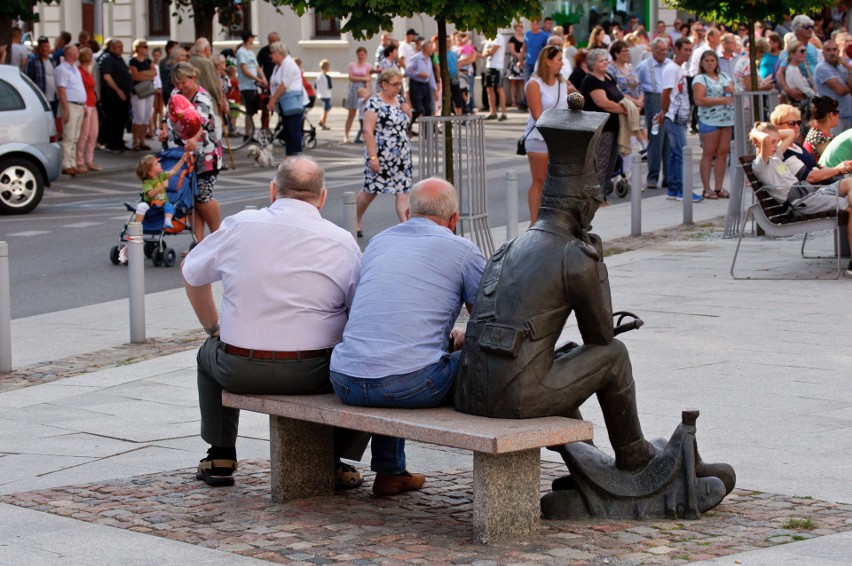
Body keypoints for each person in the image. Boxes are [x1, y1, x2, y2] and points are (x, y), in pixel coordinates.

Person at [183, 155, 367, 488]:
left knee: (206, 355)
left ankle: (220, 453)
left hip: (239, 367)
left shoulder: (240, 225)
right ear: (322, 197)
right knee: (364, 366)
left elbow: (192, 274)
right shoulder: (341, 241)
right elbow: (360, 310)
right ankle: (335, 459)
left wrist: (214, 328)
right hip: (315, 372)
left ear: (273, 190)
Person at [330, 177, 486, 497]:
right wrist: (461, 338)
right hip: (408, 385)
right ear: (454, 220)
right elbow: (487, 323)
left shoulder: (377, 242)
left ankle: (391, 473)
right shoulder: (463, 250)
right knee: (471, 360)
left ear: (408, 213)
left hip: (345, 378)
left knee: (400, 356)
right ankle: (515, 446)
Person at [749, 121, 852, 275]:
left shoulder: (775, 157)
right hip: (801, 202)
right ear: (759, 142)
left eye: (777, 141)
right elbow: (763, 140)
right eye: (772, 142)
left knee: (849, 182)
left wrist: (772, 134)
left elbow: (790, 134)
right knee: (849, 208)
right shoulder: (761, 165)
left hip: (811, 194)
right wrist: (754, 131)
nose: (775, 144)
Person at [160, 62, 222, 244]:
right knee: (190, 201)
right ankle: (199, 244)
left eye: (183, 82)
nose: (180, 86)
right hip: (182, 154)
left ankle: (219, 238)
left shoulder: (202, 98)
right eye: (176, 83)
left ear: (192, 77)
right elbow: (167, 116)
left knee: (203, 197)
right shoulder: (176, 93)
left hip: (206, 155)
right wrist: (164, 130)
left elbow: (200, 123)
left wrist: (194, 139)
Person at [356, 69, 412, 236]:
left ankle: (408, 228)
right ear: (384, 85)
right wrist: (373, 157)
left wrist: (407, 110)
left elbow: (405, 122)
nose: (399, 88)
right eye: (395, 84)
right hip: (380, 155)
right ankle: (355, 219)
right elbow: (367, 131)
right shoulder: (374, 103)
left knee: (403, 193)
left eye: (400, 84)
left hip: (401, 156)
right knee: (371, 191)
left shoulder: (399, 100)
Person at [658, 37, 703, 202]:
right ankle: (681, 190)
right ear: (676, 50)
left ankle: (673, 189)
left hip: (679, 117)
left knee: (675, 155)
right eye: (685, 50)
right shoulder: (672, 69)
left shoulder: (678, 68)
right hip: (674, 117)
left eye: (690, 50)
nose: (688, 53)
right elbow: (665, 93)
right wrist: (665, 112)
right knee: (681, 154)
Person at [581, 48, 626, 205]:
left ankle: (604, 193)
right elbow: (603, 103)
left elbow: (619, 95)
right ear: (593, 65)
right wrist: (625, 110)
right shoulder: (591, 80)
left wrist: (633, 103)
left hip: (614, 127)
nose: (606, 62)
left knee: (611, 162)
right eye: (602, 60)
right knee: (600, 163)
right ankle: (597, 199)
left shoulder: (608, 76)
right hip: (600, 128)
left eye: (606, 59)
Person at [770, 103, 848, 185]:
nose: (797, 126)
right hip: (814, 192)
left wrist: (841, 168)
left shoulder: (796, 145)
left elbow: (817, 168)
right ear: (778, 127)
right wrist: (838, 169)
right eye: (791, 123)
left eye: (799, 122)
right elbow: (811, 177)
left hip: (824, 186)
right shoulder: (783, 152)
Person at [692, 50, 734, 199]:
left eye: (712, 60)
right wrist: (721, 100)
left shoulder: (724, 77)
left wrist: (731, 91)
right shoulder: (700, 79)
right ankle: (706, 188)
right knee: (709, 153)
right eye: (707, 61)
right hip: (709, 119)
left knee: (723, 154)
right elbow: (699, 100)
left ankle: (718, 186)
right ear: (702, 63)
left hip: (726, 119)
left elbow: (733, 93)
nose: (710, 63)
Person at [637, 38, 670, 190]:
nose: (664, 53)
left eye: (665, 50)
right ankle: (653, 177)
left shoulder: (670, 64)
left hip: (668, 98)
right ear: (653, 50)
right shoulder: (644, 66)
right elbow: (638, 85)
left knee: (669, 139)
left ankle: (668, 177)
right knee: (656, 138)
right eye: (660, 50)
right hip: (654, 99)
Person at [609, 40, 644, 178]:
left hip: (635, 108)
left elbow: (639, 86)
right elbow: (614, 90)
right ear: (616, 53)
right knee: (622, 141)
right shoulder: (611, 69)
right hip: (623, 107)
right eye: (624, 51)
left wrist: (640, 101)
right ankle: (619, 173)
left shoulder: (631, 68)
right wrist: (634, 102)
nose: (627, 54)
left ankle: (628, 173)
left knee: (633, 141)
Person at [54, 44, 86, 176]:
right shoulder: (62, 69)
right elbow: (61, 90)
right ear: (70, 54)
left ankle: (72, 163)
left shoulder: (75, 69)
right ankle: (66, 164)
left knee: (75, 136)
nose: (78, 54)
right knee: (68, 136)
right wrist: (65, 109)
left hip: (79, 105)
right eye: (76, 52)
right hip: (70, 105)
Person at [266, 42, 303, 157]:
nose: (270, 56)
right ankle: (289, 155)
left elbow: (284, 84)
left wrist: (273, 99)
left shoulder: (289, 64)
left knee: (293, 130)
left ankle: (296, 157)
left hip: (292, 101)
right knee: (287, 130)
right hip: (283, 102)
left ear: (278, 53)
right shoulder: (278, 66)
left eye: (272, 53)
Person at [134, 152, 189, 227]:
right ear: (151, 173)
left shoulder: (161, 176)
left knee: (169, 206)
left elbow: (174, 171)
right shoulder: (147, 182)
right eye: (156, 164)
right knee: (141, 206)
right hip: (150, 205)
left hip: (162, 204)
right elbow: (150, 194)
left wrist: (182, 160)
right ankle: (137, 225)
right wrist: (162, 186)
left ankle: (167, 221)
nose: (159, 164)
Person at [99, 39, 133, 153]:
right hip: (113, 95)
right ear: (112, 48)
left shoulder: (119, 59)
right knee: (113, 120)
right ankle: (112, 144)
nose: (121, 48)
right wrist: (118, 90)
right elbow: (107, 77)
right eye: (118, 46)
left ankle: (119, 142)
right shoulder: (108, 59)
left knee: (122, 119)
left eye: (122, 46)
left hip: (124, 94)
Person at [777, 15, 820, 104]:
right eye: (806, 27)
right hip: (802, 95)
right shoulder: (793, 49)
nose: (810, 30)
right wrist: (787, 90)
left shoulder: (813, 48)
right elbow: (780, 73)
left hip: (816, 90)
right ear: (797, 29)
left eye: (811, 27)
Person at [814, 39, 852, 135]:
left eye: (834, 49)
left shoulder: (842, 66)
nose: (832, 53)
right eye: (828, 50)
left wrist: (848, 68)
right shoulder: (822, 68)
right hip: (831, 115)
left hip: (847, 112)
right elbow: (841, 90)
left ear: (838, 51)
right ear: (823, 53)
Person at [236, 32, 267, 142]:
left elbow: (257, 67)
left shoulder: (251, 52)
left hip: (253, 85)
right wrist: (258, 79)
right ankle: (248, 134)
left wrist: (263, 77)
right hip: (245, 85)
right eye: (252, 37)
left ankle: (249, 133)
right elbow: (244, 70)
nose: (254, 39)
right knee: (249, 109)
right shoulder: (241, 52)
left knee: (253, 109)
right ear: (249, 39)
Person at [76, 47, 101, 172]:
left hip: (92, 103)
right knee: (84, 134)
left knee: (93, 134)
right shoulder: (79, 71)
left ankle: (89, 160)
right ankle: (79, 160)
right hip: (86, 104)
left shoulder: (87, 71)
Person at [128, 39, 156, 151]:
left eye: (146, 46)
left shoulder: (148, 61)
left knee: (146, 115)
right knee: (138, 115)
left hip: (148, 90)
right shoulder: (132, 61)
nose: (146, 48)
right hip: (138, 91)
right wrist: (147, 75)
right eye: (144, 46)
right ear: (137, 48)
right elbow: (135, 76)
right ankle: (135, 140)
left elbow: (154, 73)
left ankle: (142, 140)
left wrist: (142, 74)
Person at [405, 40, 436, 133]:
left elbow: (430, 75)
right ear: (425, 48)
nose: (432, 49)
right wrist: (419, 74)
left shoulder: (429, 59)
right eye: (430, 47)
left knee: (428, 109)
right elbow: (407, 71)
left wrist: (433, 87)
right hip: (416, 84)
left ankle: (426, 131)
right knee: (418, 109)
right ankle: (407, 126)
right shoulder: (416, 58)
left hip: (426, 85)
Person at [343, 47, 373, 143]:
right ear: (357, 55)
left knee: (365, 114)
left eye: (363, 54)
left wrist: (367, 93)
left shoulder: (368, 66)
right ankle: (346, 135)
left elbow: (368, 79)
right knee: (351, 114)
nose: (361, 56)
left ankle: (364, 135)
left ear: (365, 55)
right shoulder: (352, 65)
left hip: (363, 89)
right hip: (353, 90)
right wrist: (363, 78)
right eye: (359, 54)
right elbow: (351, 77)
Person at [26, 36, 57, 117]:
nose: (44, 49)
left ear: (49, 47)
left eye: (46, 46)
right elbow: (29, 79)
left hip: (54, 98)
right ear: (38, 48)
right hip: (41, 98)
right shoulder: (33, 61)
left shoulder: (52, 61)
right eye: (41, 47)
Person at [256, 32, 280, 130]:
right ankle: (264, 129)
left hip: (279, 84)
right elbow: (257, 66)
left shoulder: (282, 50)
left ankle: (281, 129)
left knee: (281, 108)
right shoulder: (263, 51)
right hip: (267, 84)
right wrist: (262, 80)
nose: (272, 43)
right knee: (265, 108)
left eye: (274, 41)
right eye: (270, 41)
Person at [483, 32, 507, 121]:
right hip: (489, 66)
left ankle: (503, 112)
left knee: (499, 89)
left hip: (497, 67)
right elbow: (483, 53)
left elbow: (492, 51)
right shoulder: (488, 38)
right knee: (489, 89)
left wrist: (488, 51)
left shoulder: (499, 37)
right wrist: (489, 51)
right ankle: (493, 112)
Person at [507, 22, 525, 109]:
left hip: (523, 61)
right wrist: (520, 57)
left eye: (521, 26)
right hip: (515, 61)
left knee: (522, 81)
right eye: (518, 26)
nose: (520, 28)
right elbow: (513, 51)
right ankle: (513, 101)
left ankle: (522, 100)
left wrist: (522, 59)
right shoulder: (512, 39)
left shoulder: (525, 37)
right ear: (515, 27)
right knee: (513, 82)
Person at [316, 59, 333, 130]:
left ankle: (321, 121)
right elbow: (326, 86)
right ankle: (323, 123)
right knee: (326, 110)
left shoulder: (322, 76)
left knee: (328, 108)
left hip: (324, 94)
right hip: (325, 95)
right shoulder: (323, 77)